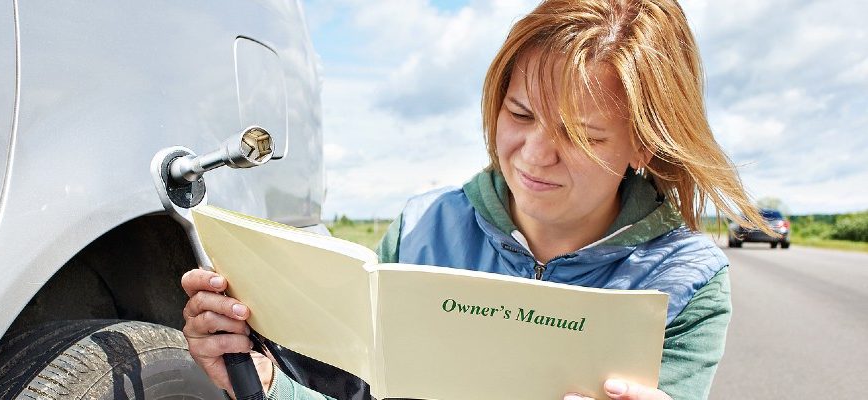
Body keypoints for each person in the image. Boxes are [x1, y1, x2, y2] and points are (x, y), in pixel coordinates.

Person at [180, 0, 773, 399]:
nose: (533, 155)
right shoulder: (422, 227)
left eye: (582, 136)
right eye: (519, 114)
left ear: (645, 145)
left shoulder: (687, 282)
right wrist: (261, 381)